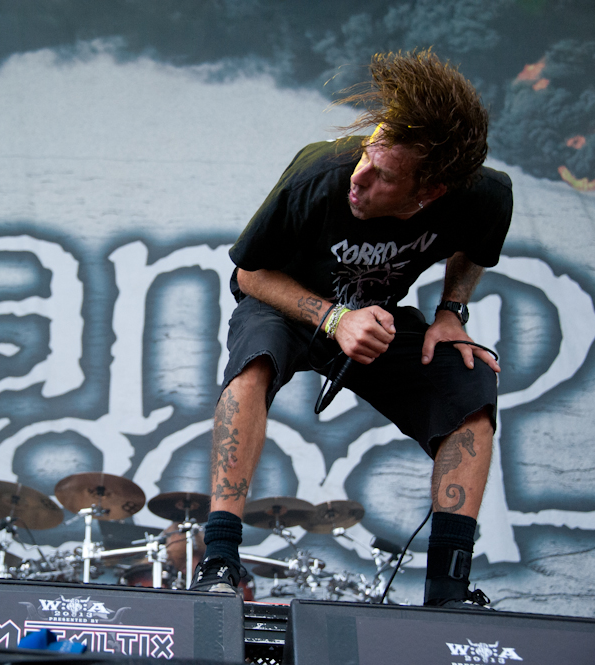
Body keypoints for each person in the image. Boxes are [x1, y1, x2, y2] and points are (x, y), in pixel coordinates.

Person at [189, 49, 513, 609]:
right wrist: (333, 318)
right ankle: (219, 560)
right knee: (254, 361)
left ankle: (448, 590)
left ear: (430, 191)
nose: (359, 179)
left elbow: (473, 251)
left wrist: (449, 314)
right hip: (287, 302)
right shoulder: (320, 173)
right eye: (366, 156)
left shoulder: (483, 195)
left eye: (383, 176)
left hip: (377, 319)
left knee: (471, 389)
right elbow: (249, 272)